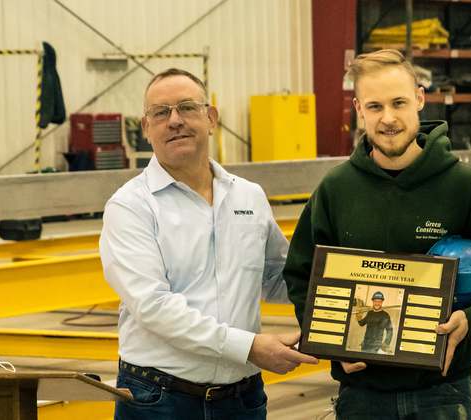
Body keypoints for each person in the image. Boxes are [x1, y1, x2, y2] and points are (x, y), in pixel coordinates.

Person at [283, 49, 471, 419]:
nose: (388, 118)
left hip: (442, 392)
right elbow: (300, 275)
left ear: (420, 98)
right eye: (374, 107)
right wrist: (330, 340)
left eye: (398, 103)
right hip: (361, 395)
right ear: (358, 108)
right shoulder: (335, 190)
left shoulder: (462, 184)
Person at [99, 68, 318, 420]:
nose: (175, 121)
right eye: (161, 112)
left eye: (187, 108)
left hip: (241, 399)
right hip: (158, 400)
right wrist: (248, 347)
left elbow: (281, 276)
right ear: (146, 128)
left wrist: (345, 304)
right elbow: (153, 306)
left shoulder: (249, 196)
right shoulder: (130, 207)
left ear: (211, 117)